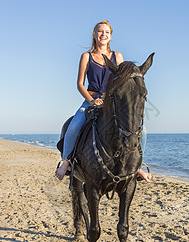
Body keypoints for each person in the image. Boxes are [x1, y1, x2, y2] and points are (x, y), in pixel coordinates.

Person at [55, 20, 151, 183]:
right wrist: (92, 100)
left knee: (144, 131)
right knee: (74, 126)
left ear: (111, 36)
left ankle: (137, 166)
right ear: (94, 34)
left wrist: (109, 97)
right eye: (100, 31)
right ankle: (66, 162)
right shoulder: (87, 56)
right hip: (91, 100)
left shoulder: (118, 56)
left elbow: (123, 82)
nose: (103, 35)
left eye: (107, 32)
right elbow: (80, 84)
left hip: (111, 101)